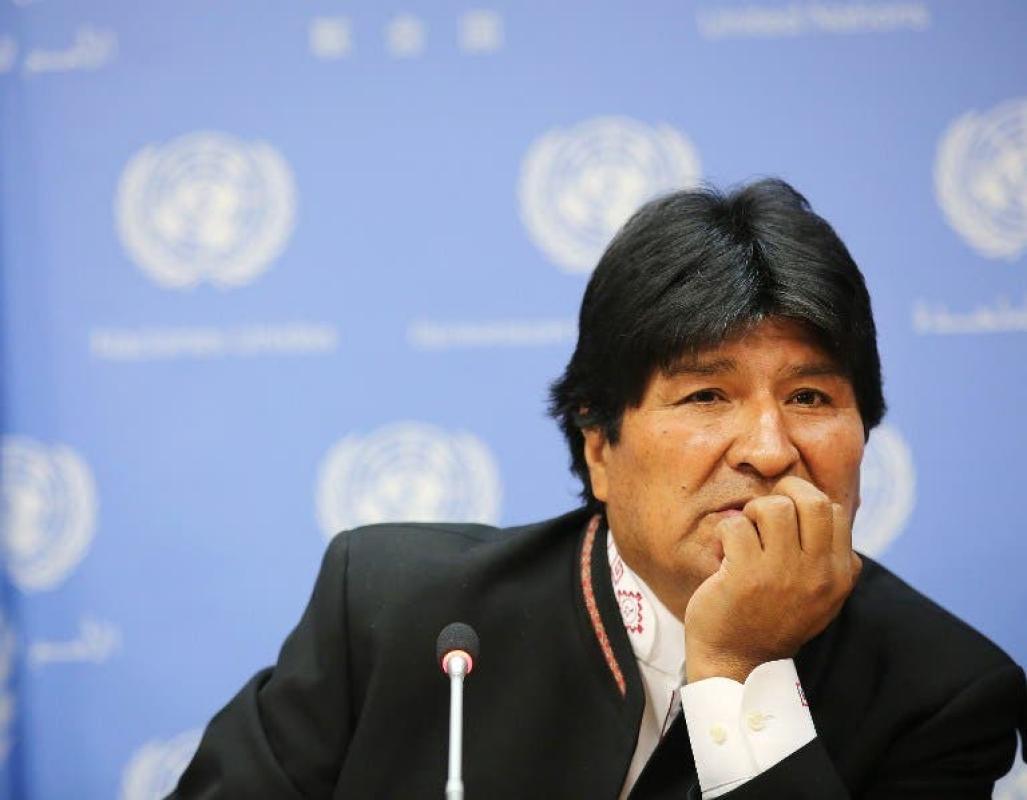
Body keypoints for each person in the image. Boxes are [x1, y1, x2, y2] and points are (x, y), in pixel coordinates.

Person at [172, 179, 1026, 799]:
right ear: (599, 448)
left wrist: (739, 673)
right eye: (707, 395)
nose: (770, 450)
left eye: (809, 398)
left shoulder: (940, 694)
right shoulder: (394, 609)